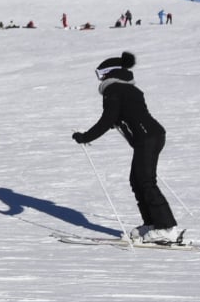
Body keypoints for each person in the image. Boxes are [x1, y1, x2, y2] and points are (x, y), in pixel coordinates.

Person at [71, 51, 180, 244]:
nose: (100, 79)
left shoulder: (113, 90)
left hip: (147, 138)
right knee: (137, 180)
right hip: (152, 136)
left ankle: (166, 228)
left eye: (100, 75)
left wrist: (85, 137)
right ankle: (152, 224)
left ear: (109, 73)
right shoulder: (130, 89)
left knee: (146, 182)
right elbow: (129, 115)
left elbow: (107, 119)